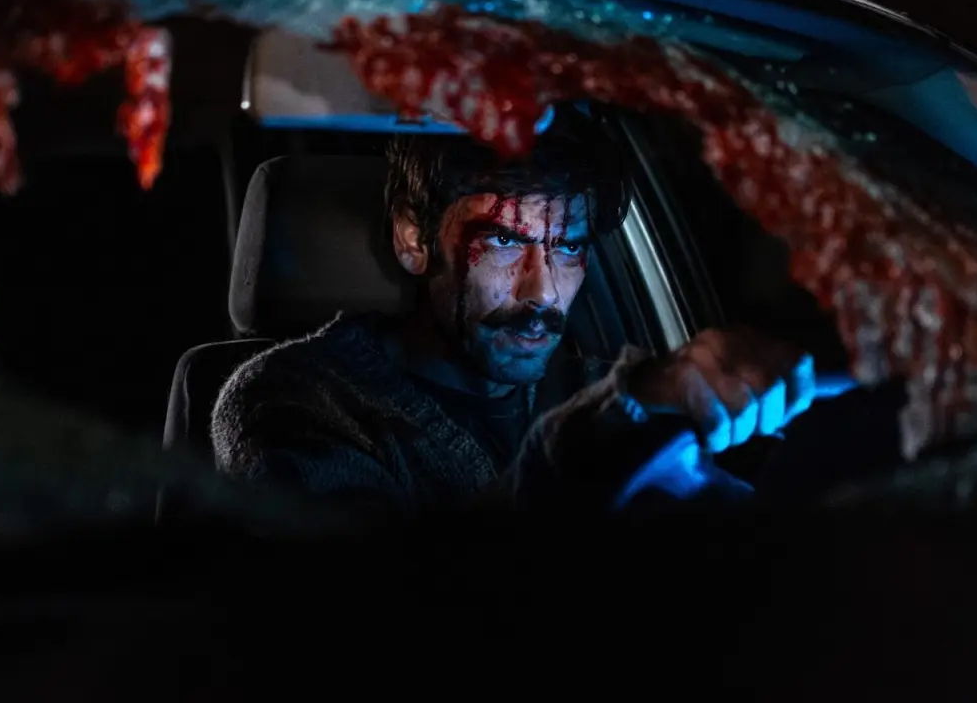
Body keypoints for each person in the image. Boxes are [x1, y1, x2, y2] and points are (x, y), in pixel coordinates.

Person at [211, 108, 818, 515]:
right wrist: (602, 440)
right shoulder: (293, 398)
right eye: (504, 241)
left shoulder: (600, 387)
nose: (544, 293)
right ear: (413, 240)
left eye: (569, 248)